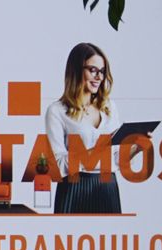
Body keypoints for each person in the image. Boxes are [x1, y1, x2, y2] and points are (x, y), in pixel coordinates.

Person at [44, 42, 123, 214]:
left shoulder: (109, 107)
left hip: (108, 189)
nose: (99, 77)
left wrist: (137, 147)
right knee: (68, 240)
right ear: (77, 70)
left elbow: (116, 159)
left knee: (109, 241)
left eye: (102, 72)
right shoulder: (57, 111)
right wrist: (94, 153)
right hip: (74, 190)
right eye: (93, 70)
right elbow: (58, 165)